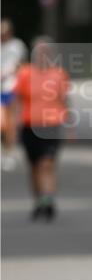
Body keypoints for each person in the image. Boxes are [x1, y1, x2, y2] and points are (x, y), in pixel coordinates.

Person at [13, 37, 70, 220]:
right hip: (29, 125)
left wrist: (69, 127)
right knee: (34, 167)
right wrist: (14, 124)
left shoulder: (58, 74)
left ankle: (48, 200)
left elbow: (65, 100)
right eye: (39, 52)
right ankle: (38, 201)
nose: (42, 55)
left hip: (51, 126)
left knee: (47, 164)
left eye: (46, 52)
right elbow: (17, 100)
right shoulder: (24, 73)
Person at [1, 19, 28, 171]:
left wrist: (11, 72)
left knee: (10, 124)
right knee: (2, 123)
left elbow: (22, 65)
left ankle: (8, 153)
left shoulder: (17, 46)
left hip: (11, 87)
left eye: (4, 33)